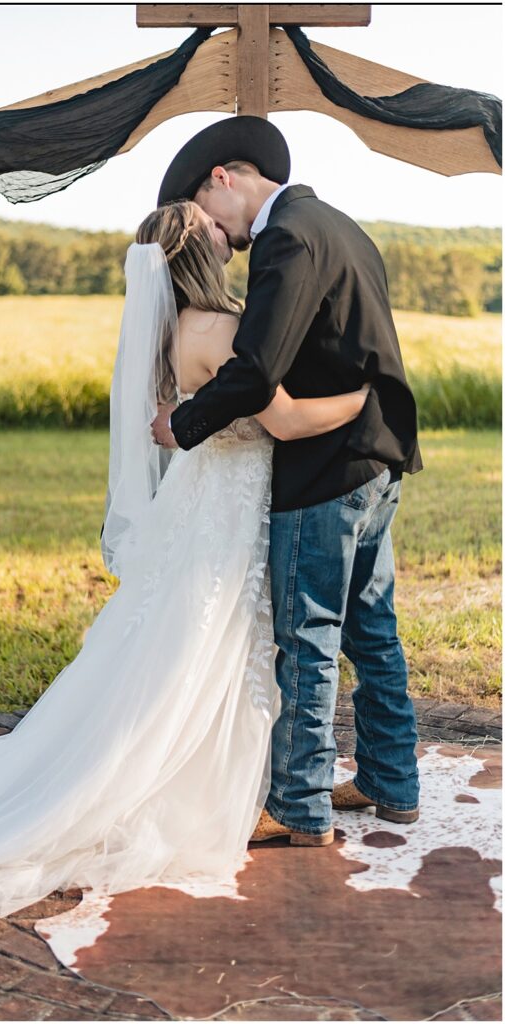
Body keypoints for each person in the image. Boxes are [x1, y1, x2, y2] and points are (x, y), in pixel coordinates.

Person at [0, 199, 371, 921]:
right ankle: (200, 786)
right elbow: (290, 418)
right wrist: (365, 399)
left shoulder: (176, 334)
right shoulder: (225, 331)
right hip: (228, 522)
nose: (230, 237)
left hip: (206, 509)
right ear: (198, 256)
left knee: (185, 651)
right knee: (208, 654)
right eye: (216, 233)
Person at [151, 116, 423, 845]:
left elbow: (257, 368)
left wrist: (183, 425)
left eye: (214, 219)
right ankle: (391, 782)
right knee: (373, 632)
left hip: (325, 472)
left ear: (225, 178)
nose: (228, 242)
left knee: (307, 637)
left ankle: (299, 806)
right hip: (378, 462)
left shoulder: (287, 238)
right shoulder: (340, 225)